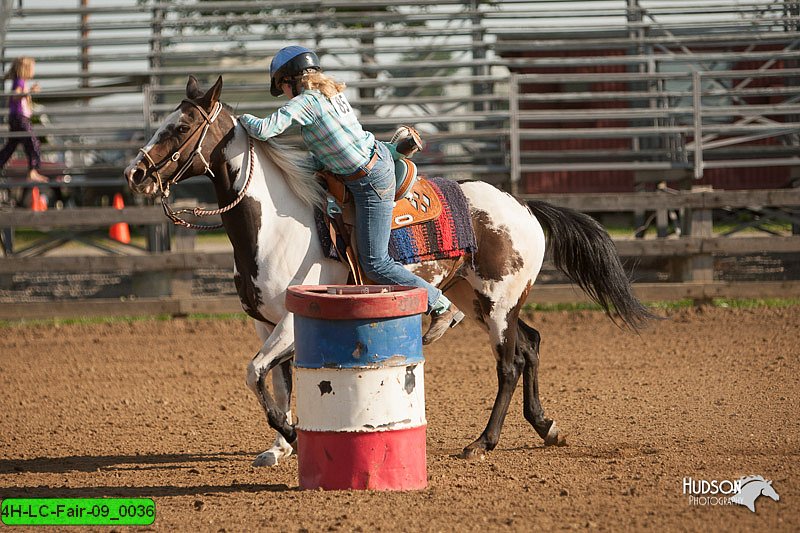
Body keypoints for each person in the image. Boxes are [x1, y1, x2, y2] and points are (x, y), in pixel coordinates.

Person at [238, 45, 464, 344]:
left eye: (282, 86)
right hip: (373, 159)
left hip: (369, 181)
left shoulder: (306, 101)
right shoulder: (332, 94)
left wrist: (240, 119)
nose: (284, 92)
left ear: (290, 80)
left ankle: (440, 304)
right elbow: (332, 142)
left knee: (376, 262)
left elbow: (266, 130)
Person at [0, 56, 47, 183]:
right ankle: (33, 170)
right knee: (33, 143)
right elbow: (15, 96)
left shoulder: (20, 81)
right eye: (32, 68)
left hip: (16, 118)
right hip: (20, 119)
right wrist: (29, 91)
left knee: (10, 147)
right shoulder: (19, 82)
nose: (33, 71)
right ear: (25, 69)